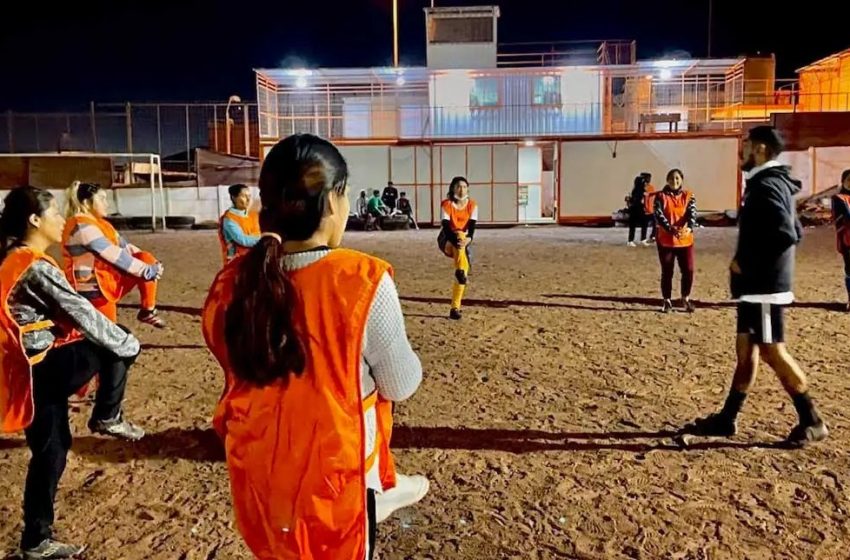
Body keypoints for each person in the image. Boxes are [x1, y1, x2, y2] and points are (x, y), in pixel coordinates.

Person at [202, 134, 429, 560]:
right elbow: (400, 384)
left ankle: (383, 496)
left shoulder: (229, 285)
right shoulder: (362, 280)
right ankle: (380, 495)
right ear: (331, 203)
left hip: (258, 475)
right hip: (334, 484)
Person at [0, 186, 144, 559]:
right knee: (115, 340)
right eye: (53, 214)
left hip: (24, 369)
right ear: (35, 220)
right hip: (39, 365)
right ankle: (108, 414)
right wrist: (129, 346)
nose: (61, 220)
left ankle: (36, 540)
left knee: (51, 452)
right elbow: (81, 312)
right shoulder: (33, 264)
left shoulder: (12, 257)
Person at [682, 125, 827, 446]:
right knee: (746, 352)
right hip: (756, 287)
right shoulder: (768, 183)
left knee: (773, 351)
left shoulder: (767, 185)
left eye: (745, 145)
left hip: (764, 288)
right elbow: (797, 231)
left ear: (760, 149)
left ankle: (812, 419)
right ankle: (727, 419)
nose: (741, 151)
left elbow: (786, 233)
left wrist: (746, 262)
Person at [61, 181, 165, 328]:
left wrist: (153, 266)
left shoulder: (102, 224)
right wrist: (146, 270)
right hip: (90, 290)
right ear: (86, 203)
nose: (107, 204)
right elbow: (112, 253)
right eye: (102, 199)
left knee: (145, 258)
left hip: (105, 283)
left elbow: (126, 248)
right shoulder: (80, 225)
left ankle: (148, 310)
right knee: (104, 338)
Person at [654, 169, 697, 313]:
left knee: (688, 270)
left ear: (682, 180)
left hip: (685, 240)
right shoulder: (660, 196)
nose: (675, 181)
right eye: (672, 178)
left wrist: (689, 228)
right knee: (667, 271)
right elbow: (659, 216)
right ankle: (667, 301)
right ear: (667, 180)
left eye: (677, 178)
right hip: (666, 240)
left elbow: (692, 214)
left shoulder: (689, 196)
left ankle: (685, 298)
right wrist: (671, 229)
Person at [438, 176, 477, 320]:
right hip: (447, 240)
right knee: (459, 233)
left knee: (463, 272)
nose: (462, 190)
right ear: (453, 188)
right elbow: (446, 228)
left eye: (465, 187)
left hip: (463, 243)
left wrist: (468, 240)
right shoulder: (447, 204)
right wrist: (460, 241)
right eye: (459, 186)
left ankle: (455, 308)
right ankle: (460, 271)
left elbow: (472, 228)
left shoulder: (472, 205)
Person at [219, 183, 261, 264]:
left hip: (255, 258)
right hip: (237, 262)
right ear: (234, 198)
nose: (248, 199)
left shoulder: (254, 215)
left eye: (249, 196)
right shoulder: (229, 219)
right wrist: (263, 239)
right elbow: (243, 240)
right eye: (244, 196)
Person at [831, 169, 850, 311]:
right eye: (849, 180)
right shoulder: (838, 198)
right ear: (843, 182)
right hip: (847, 240)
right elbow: (844, 216)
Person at [627, 175, 649, 246]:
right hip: (637, 210)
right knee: (640, 224)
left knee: (636, 225)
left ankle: (633, 240)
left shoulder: (635, 191)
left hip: (636, 210)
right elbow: (638, 201)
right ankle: (634, 240)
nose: (645, 183)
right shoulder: (640, 191)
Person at [641, 172, 657, 243]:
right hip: (644, 210)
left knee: (655, 223)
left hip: (651, 210)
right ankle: (643, 238)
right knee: (644, 225)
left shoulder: (651, 187)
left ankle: (653, 236)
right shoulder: (641, 188)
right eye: (648, 178)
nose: (649, 179)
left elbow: (653, 199)